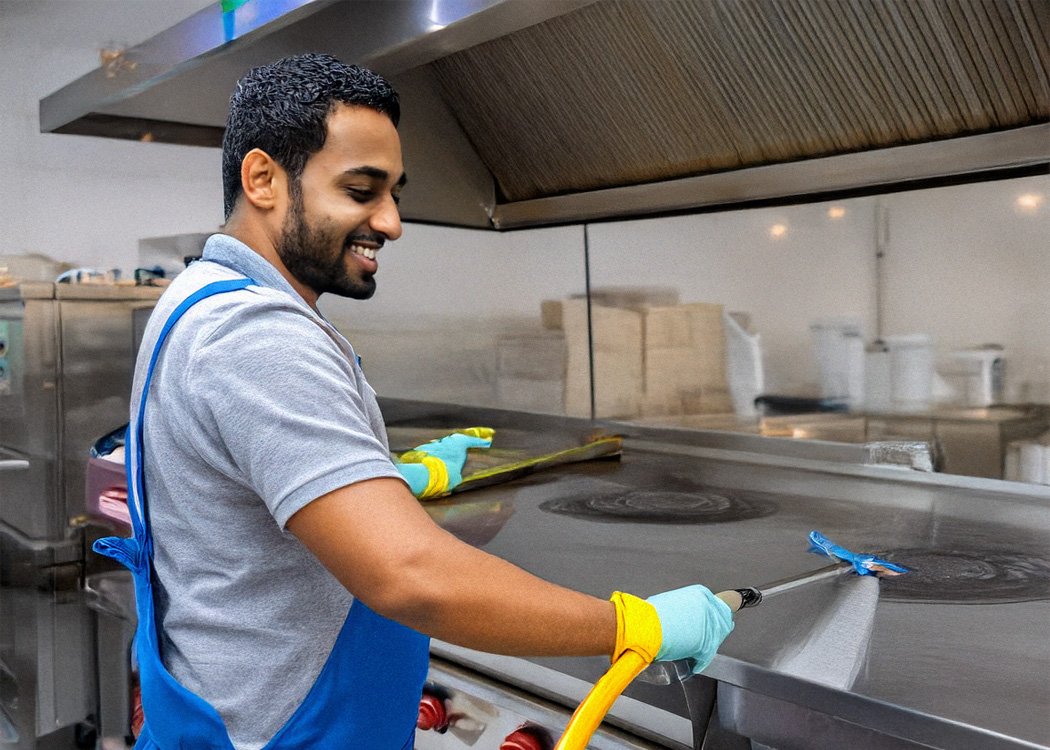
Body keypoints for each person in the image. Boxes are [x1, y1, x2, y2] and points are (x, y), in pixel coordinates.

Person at [94, 53, 734, 750]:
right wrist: (634, 628)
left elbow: (246, 493)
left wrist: (393, 481)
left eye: (394, 192)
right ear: (263, 179)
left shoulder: (202, 298)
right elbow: (411, 576)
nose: (392, 222)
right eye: (362, 190)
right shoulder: (257, 336)